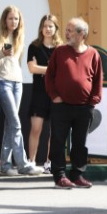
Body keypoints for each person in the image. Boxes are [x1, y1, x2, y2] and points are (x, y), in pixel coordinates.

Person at [0, 6, 44, 176]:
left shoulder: (19, 37)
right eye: (10, 18)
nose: (13, 22)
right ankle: (23, 164)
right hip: (2, 82)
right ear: (4, 19)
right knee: (16, 123)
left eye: (16, 19)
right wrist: (1, 54)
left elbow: (17, 62)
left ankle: (5, 164)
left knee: (11, 124)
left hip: (17, 82)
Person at [45, 18, 101, 189]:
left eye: (70, 30)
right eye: (67, 30)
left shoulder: (93, 54)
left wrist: (93, 101)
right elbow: (49, 77)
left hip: (84, 107)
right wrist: (55, 96)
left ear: (81, 34)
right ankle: (59, 176)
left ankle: (77, 174)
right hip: (61, 106)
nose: (66, 33)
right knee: (58, 141)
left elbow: (98, 79)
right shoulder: (59, 51)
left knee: (80, 143)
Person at [27, 14, 62, 172]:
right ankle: (31, 161)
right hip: (39, 92)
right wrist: (51, 70)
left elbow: (63, 71)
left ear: (55, 29)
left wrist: (43, 69)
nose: (47, 29)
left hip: (56, 93)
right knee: (36, 128)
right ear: (41, 28)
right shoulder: (34, 46)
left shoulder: (61, 48)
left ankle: (49, 162)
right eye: (45, 26)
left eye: (51, 26)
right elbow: (32, 68)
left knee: (54, 130)